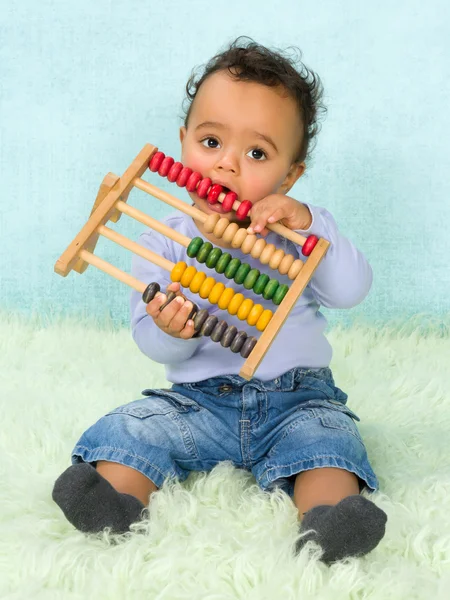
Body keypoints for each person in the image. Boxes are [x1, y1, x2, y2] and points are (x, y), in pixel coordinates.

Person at [53, 37, 387, 565]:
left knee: (327, 441)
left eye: (257, 153)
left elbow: (352, 291)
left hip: (296, 400)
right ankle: (115, 502)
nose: (225, 166)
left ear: (290, 173)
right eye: (210, 143)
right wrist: (170, 331)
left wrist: (311, 223)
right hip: (197, 403)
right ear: (183, 140)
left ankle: (329, 519)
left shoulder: (298, 236)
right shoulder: (162, 236)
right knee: (136, 426)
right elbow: (151, 342)